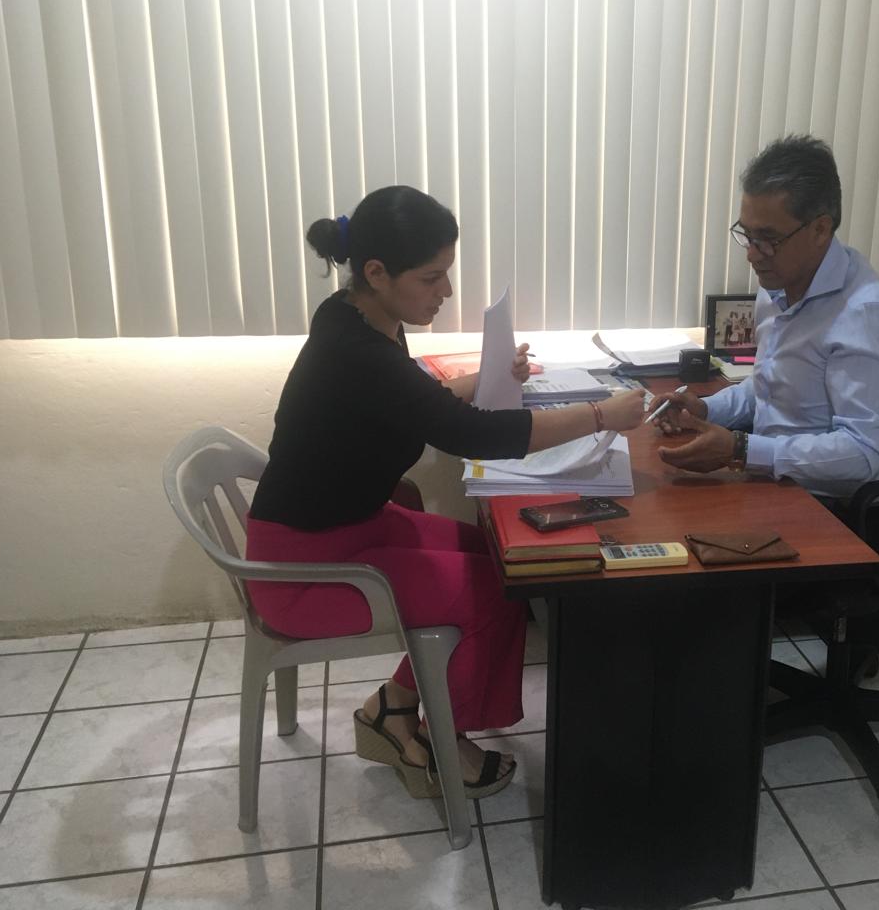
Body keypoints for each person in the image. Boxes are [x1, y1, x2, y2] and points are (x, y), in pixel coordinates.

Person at [246, 185, 645, 800]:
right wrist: (600, 415)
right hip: (303, 569)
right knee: (492, 590)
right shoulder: (356, 349)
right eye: (432, 278)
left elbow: (411, 398)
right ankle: (440, 743)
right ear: (376, 272)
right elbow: (469, 434)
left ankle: (394, 705)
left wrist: (487, 378)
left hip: (345, 526)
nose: (447, 292)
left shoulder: (356, 315)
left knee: (495, 555)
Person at [649, 135, 879, 502]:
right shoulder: (777, 288)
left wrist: (740, 450)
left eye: (768, 239)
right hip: (781, 485)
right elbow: (772, 389)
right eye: (747, 235)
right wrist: (705, 409)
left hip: (848, 511)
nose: (752, 255)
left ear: (820, 229)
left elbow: (861, 455)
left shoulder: (868, 314)